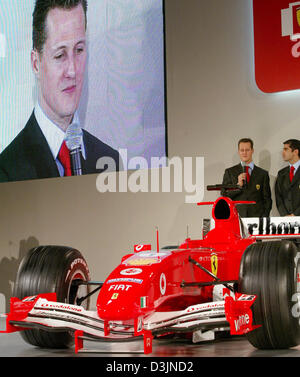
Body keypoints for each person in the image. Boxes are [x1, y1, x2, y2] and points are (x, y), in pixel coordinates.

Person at [0, 0, 121, 183]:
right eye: (60, 55)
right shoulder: (7, 172)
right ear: (36, 63)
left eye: (79, 50)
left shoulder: (110, 162)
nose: (72, 70)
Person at [221, 138, 272, 217]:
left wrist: (263, 218)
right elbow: (224, 195)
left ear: (252, 151)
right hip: (236, 217)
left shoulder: (262, 174)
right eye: (242, 150)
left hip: (257, 220)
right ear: (238, 152)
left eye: (247, 150)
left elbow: (267, 199)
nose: (244, 153)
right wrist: (238, 185)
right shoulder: (230, 172)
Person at [275, 139, 300, 216]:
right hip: (286, 221)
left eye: (286, 149)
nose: (283, 153)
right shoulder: (281, 173)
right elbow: (278, 197)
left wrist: (295, 214)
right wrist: (285, 215)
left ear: (295, 152)